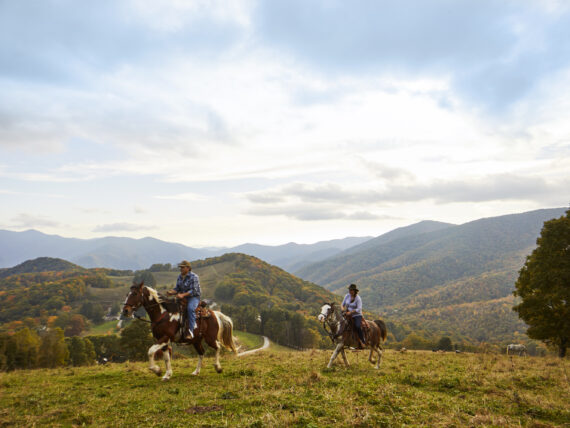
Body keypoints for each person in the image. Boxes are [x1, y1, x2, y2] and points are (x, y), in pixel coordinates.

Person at [168, 260, 201, 340]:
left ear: (188, 268)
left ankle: (191, 331)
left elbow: (194, 290)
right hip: (182, 297)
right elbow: (177, 288)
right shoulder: (180, 277)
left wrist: (182, 295)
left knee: (190, 309)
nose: (181, 269)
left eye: (182, 267)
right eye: (180, 267)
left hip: (193, 297)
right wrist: (171, 292)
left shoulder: (194, 277)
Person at [341, 283, 366, 348]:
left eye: (351, 290)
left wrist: (351, 312)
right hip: (347, 313)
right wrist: (343, 310)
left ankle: (362, 341)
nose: (350, 291)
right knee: (340, 323)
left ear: (355, 291)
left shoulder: (358, 298)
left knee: (357, 326)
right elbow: (342, 304)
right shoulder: (347, 296)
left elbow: (359, 308)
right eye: (349, 290)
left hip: (357, 315)